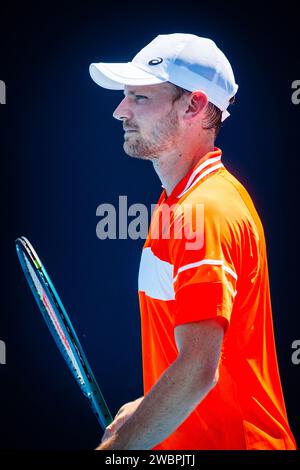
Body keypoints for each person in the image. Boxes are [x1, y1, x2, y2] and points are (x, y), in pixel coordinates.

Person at [89, 33, 297, 450]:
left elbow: (199, 369)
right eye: (126, 96)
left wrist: (118, 451)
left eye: (139, 98)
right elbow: (204, 363)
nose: (119, 110)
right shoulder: (180, 203)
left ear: (194, 106)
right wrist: (150, 407)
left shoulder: (203, 211)